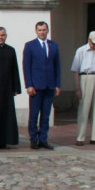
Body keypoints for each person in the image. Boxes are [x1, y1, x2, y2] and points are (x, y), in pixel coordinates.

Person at [23, 21, 60, 150]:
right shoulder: (30, 46)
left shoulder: (53, 45)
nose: (42, 32)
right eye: (39, 30)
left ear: (47, 30)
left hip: (49, 85)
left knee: (46, 115)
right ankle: (33, 139)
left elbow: (57, 66)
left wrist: (57, 84)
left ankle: (43, 139)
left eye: (44, 30)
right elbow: (26, 66)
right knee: (34, 115)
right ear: (36, 31)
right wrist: (29, 85)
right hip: (36, 86)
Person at [71, 30, 95, 146]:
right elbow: (76, 70)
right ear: (89, 40)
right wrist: (77, 87)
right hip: (85, 77)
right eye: (94, 43)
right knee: (84, 108)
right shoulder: (81, 51)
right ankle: (80, 137)